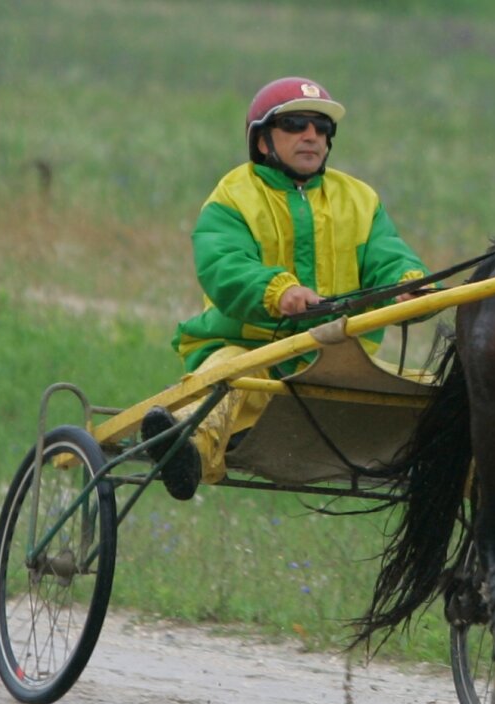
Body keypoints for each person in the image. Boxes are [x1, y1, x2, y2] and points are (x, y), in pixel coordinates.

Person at [143, 76, 429, 500]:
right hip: (249, 356)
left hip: (339, 369)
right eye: (295, 124)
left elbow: (389, 257)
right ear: (263, 141)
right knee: (225, 375)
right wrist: (279, 292)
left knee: (443, 392)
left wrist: (409, 285)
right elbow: (223, 265)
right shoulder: (232, 196)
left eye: (322, 127)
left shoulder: (360, 199)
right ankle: (189, 450)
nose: (311, 136)